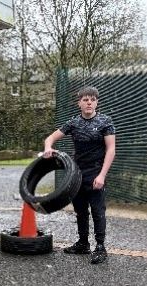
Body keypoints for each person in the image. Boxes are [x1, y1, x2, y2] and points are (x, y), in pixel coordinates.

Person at [42, 86, 116, 264]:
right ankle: (83, 244)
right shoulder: (73, 123)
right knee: (80, 211)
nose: (89, 103)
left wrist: (102, 175)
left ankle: (100, 247)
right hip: (77, 174)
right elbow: (50, 138)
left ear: (96, 102)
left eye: (92, 100)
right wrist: (48, 148)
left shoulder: (105, 121)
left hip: (96, 173)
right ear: (79, 103)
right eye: (85, 100)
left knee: (98, 211)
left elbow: (111, 149)